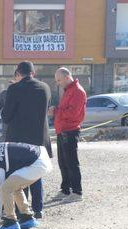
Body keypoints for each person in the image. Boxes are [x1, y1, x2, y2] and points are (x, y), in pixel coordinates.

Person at [1, 62, 52, 219]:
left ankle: (21, 209)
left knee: (19, 175)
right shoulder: (45, 88)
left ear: (18, 73)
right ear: (33, 72)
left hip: (19, 139)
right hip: (39, 137)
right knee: (36, 173)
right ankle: (38, 209)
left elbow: (6, 116)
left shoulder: (14, 89)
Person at [49, 67, 87, 201]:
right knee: (63, 162)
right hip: (62, 130)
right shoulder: (68, 90)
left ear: (67, 77)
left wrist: (55, 112)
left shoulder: (77, 91)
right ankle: (66, 190)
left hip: (70, 131)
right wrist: (56, 110)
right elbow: (65, 109)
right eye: (56, 81)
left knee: (71, 162)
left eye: (59, 80)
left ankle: (77, 192)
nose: (58, 83)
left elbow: (73, 113)